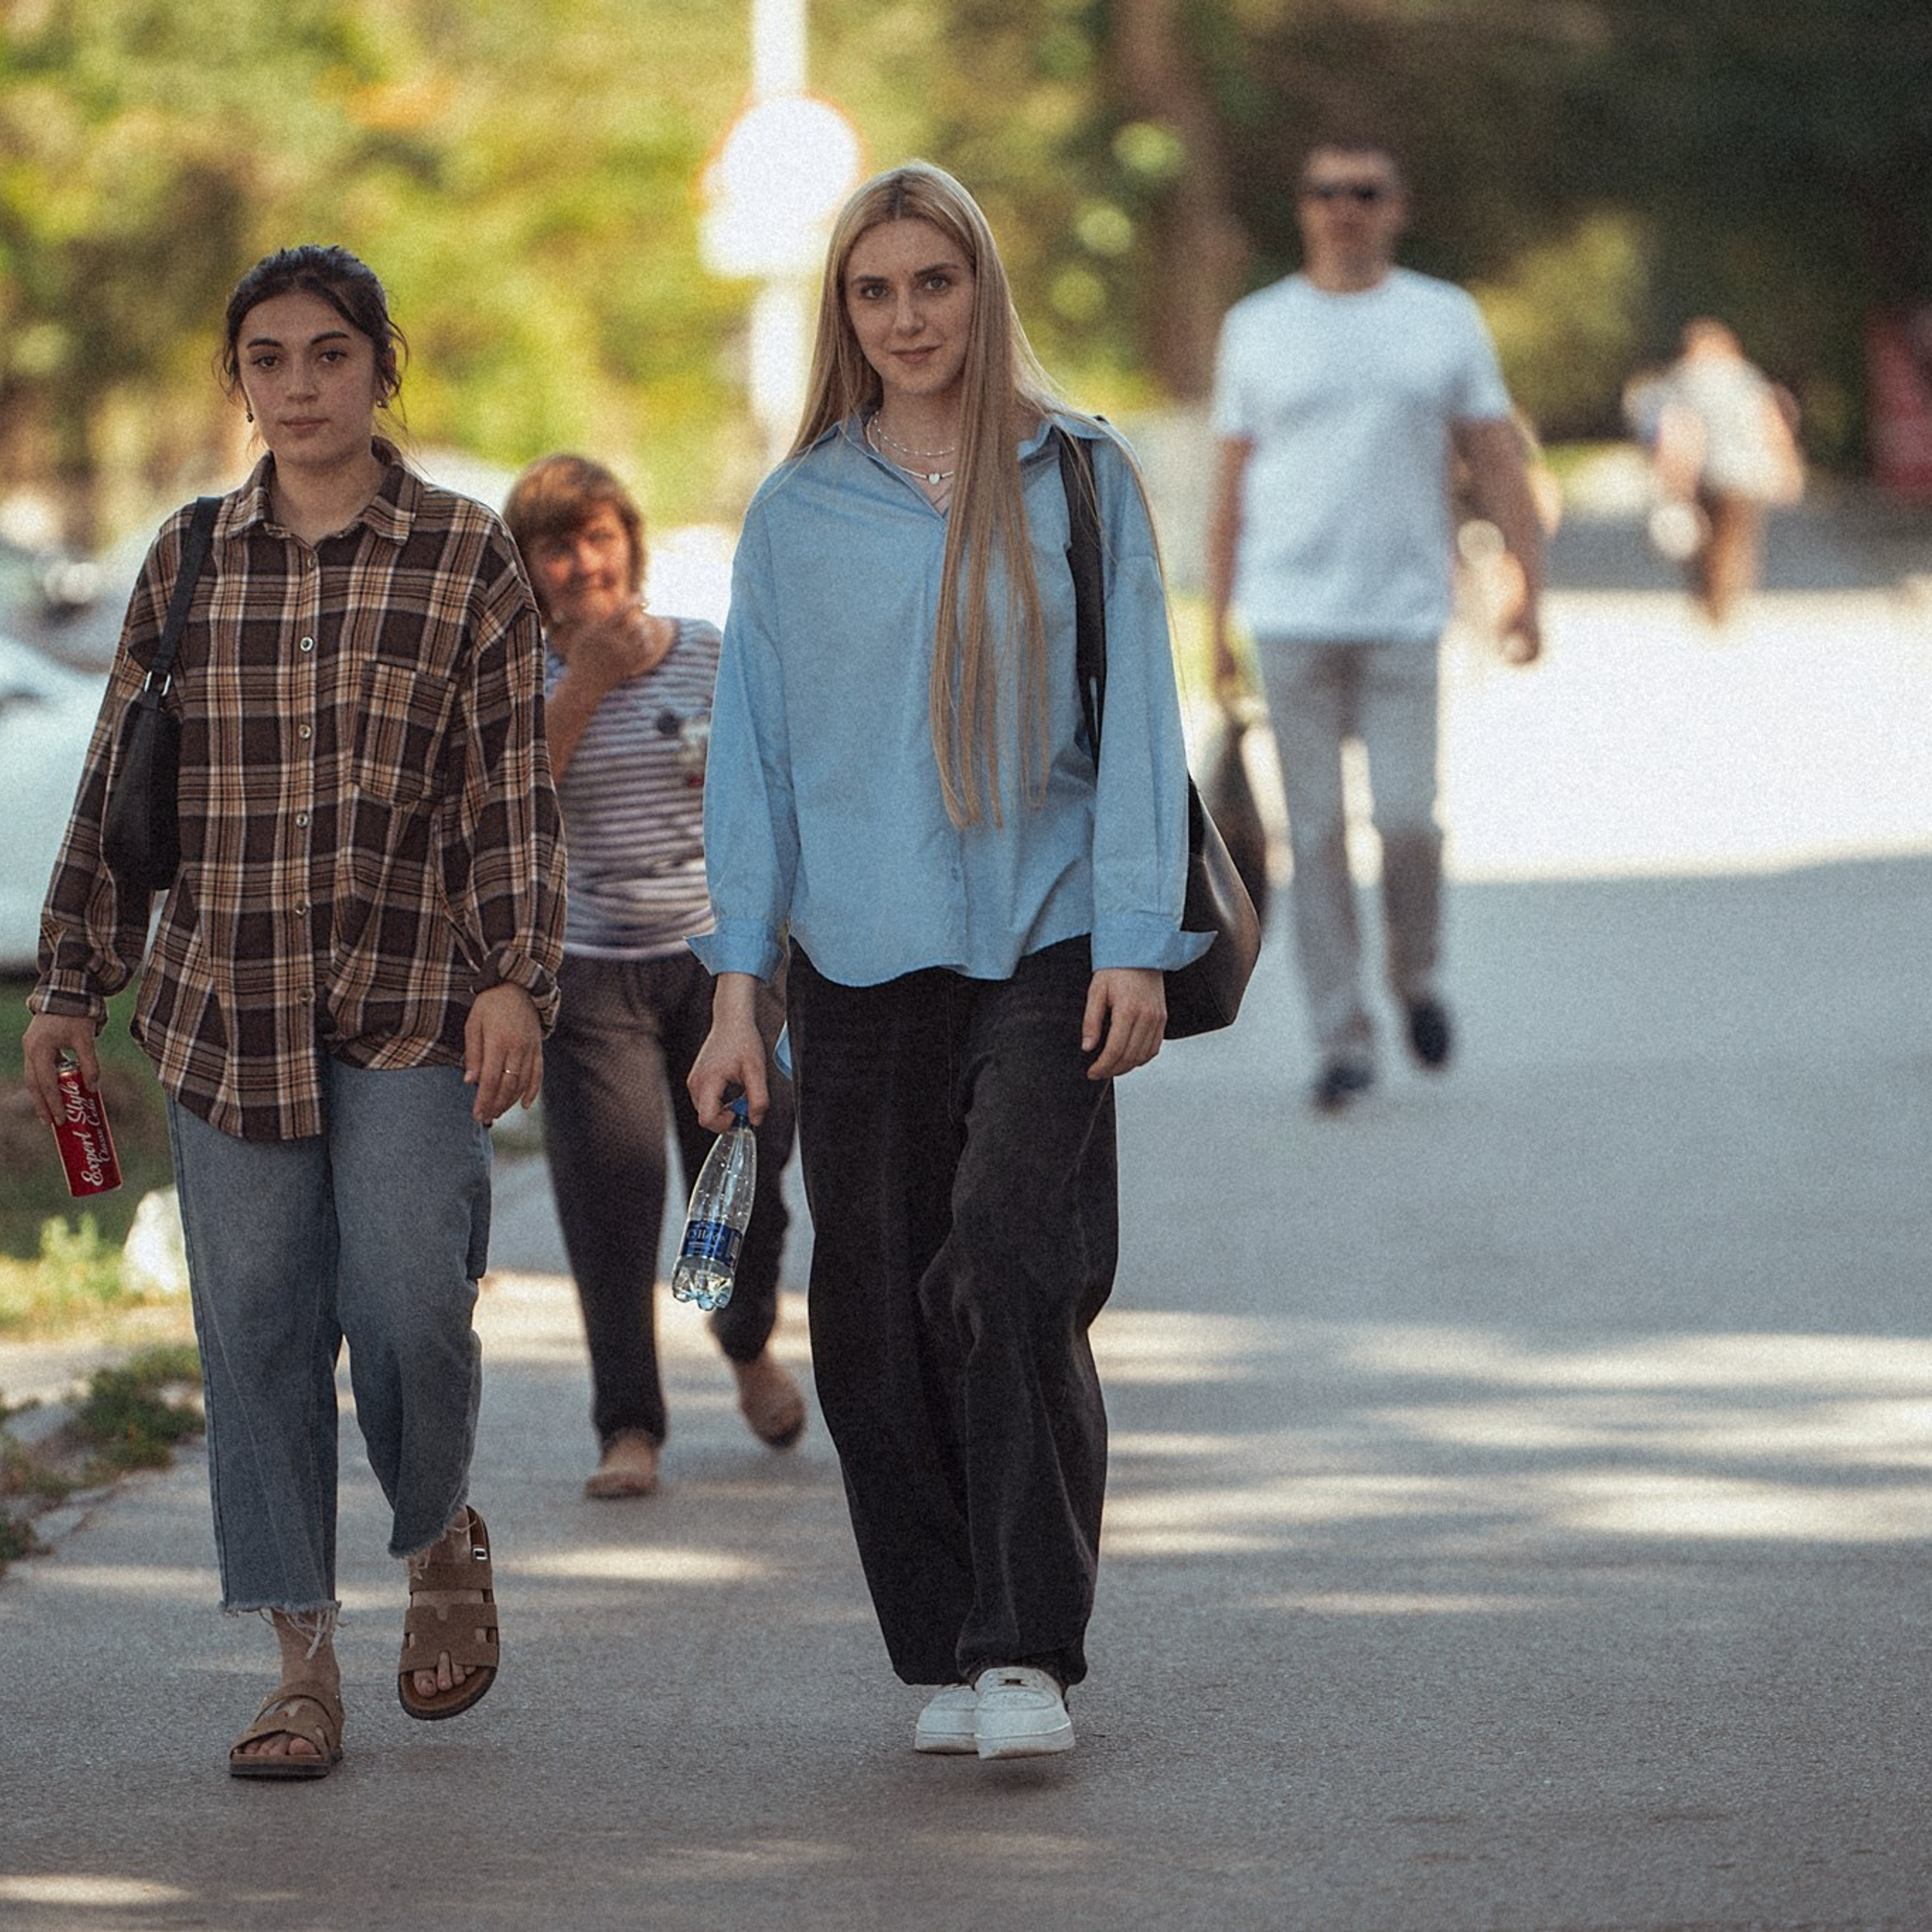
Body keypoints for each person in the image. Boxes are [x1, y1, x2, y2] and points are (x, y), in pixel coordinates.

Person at [21, 245, 566, 1780]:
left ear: (380, 370)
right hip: (225, 1003)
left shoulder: (463, 554)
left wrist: (516, 975)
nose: (301, 385)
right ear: (240, 382)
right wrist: (72, 983)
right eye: (268, 359)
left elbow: (508, 791)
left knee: (407, 1306)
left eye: (330, 353)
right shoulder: (186, 557)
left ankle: (437, 1526)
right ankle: (298, 1660)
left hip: (410, 1001)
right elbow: (117, 784)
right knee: (255, 1332)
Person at [686, 161, 1204, 1761]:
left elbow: (1142, 723)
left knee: (1009, 1249)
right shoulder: (796, 513)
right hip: (857, 955)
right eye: (875, 290)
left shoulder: (1079, 475)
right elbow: (754, 765)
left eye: (934, 282)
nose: (906, 317)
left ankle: (1023, 1646)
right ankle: (943, 1639)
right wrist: (736, 990)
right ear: (843, 313)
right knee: (870, 1301)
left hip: (1051, 932)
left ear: (982, 289)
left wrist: (1137, 943)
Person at [1207, 137, 1546, 1113]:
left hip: (1404, 611)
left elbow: (1495, 456)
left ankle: (1415, 976)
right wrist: (1217, 619)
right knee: (1313, 836)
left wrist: (1530, 581)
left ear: (1396, 207)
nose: (1343, 206)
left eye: (1364, 191)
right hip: (1289, 612)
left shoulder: (1442, 319)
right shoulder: (1257, 328)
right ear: (1303, 207)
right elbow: (1230, 485)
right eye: (1325, 191)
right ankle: (1341, 1037)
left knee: (1408, 822)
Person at [500, 455, 804, 1500]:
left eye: (600, 537)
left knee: (748, 1183)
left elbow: (773, 795)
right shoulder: (519, 677)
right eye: (556, 547)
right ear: (528, 568)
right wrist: (583, 682)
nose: (584, 563)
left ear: (631, 543)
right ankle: (628, 1425)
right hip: (594, 977)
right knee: (612, 1207)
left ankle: (745, 1337)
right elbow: (510, 809)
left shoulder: (710, 653)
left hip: (727, 971)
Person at [1651, 318, 1804, 625]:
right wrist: (1787, 466)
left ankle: (1710, 596)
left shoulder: (1684, 379)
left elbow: (1677, 428)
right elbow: (1771, 422)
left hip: (1702, 474)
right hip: (1745, 474)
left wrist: (1673, 474)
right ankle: (1726, 598)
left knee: (1700, 537)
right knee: (1737, 539)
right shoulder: (1747, 377)